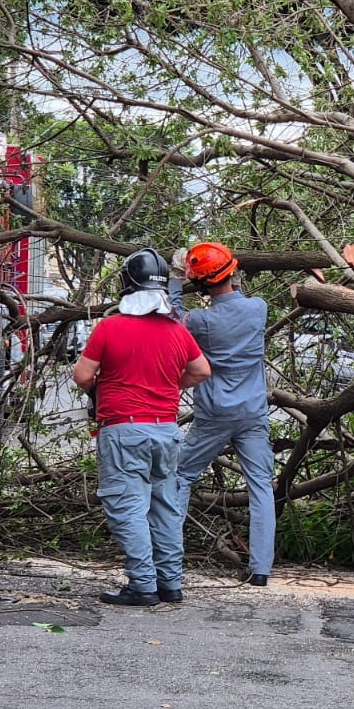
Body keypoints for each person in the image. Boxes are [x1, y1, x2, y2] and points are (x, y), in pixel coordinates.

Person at [73, 248, 211, 606]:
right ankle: (170, 583)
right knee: (164, 507)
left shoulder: (110, 327)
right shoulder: (177, 332)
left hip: (123, 429)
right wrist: (168, 383)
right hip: (165, 430)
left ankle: (143, 584)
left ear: (127, 284)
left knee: (127, 507)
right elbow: (202, 371)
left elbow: (82, 375)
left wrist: (104, 387)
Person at [173, 241, 277, 587]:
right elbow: (238, 293)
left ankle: (169, 558)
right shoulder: (258, 308)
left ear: (200, 285)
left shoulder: (200, 320)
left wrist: (176, 278)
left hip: (214, 414)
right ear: (234, 272)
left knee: (181, 475)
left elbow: (173, 317)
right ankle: (261, 570)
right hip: (252, 413)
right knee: (261, 486)